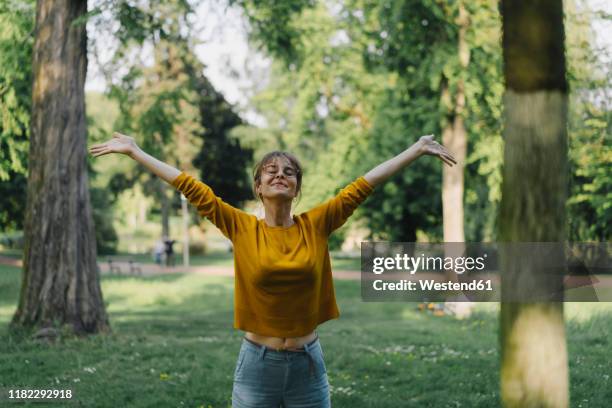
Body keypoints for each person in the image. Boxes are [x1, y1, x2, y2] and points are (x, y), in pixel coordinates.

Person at [89, 131, 456, 407]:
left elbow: (364, 185)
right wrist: (136, 152)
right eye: (271, 171)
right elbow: (191, 187)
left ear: (296, 188)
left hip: (308, 366)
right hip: (257, 366)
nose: (281, 175)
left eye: (289, 172)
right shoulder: (241, 227)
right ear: (258, 187)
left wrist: (415, 150)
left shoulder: (317, 224)